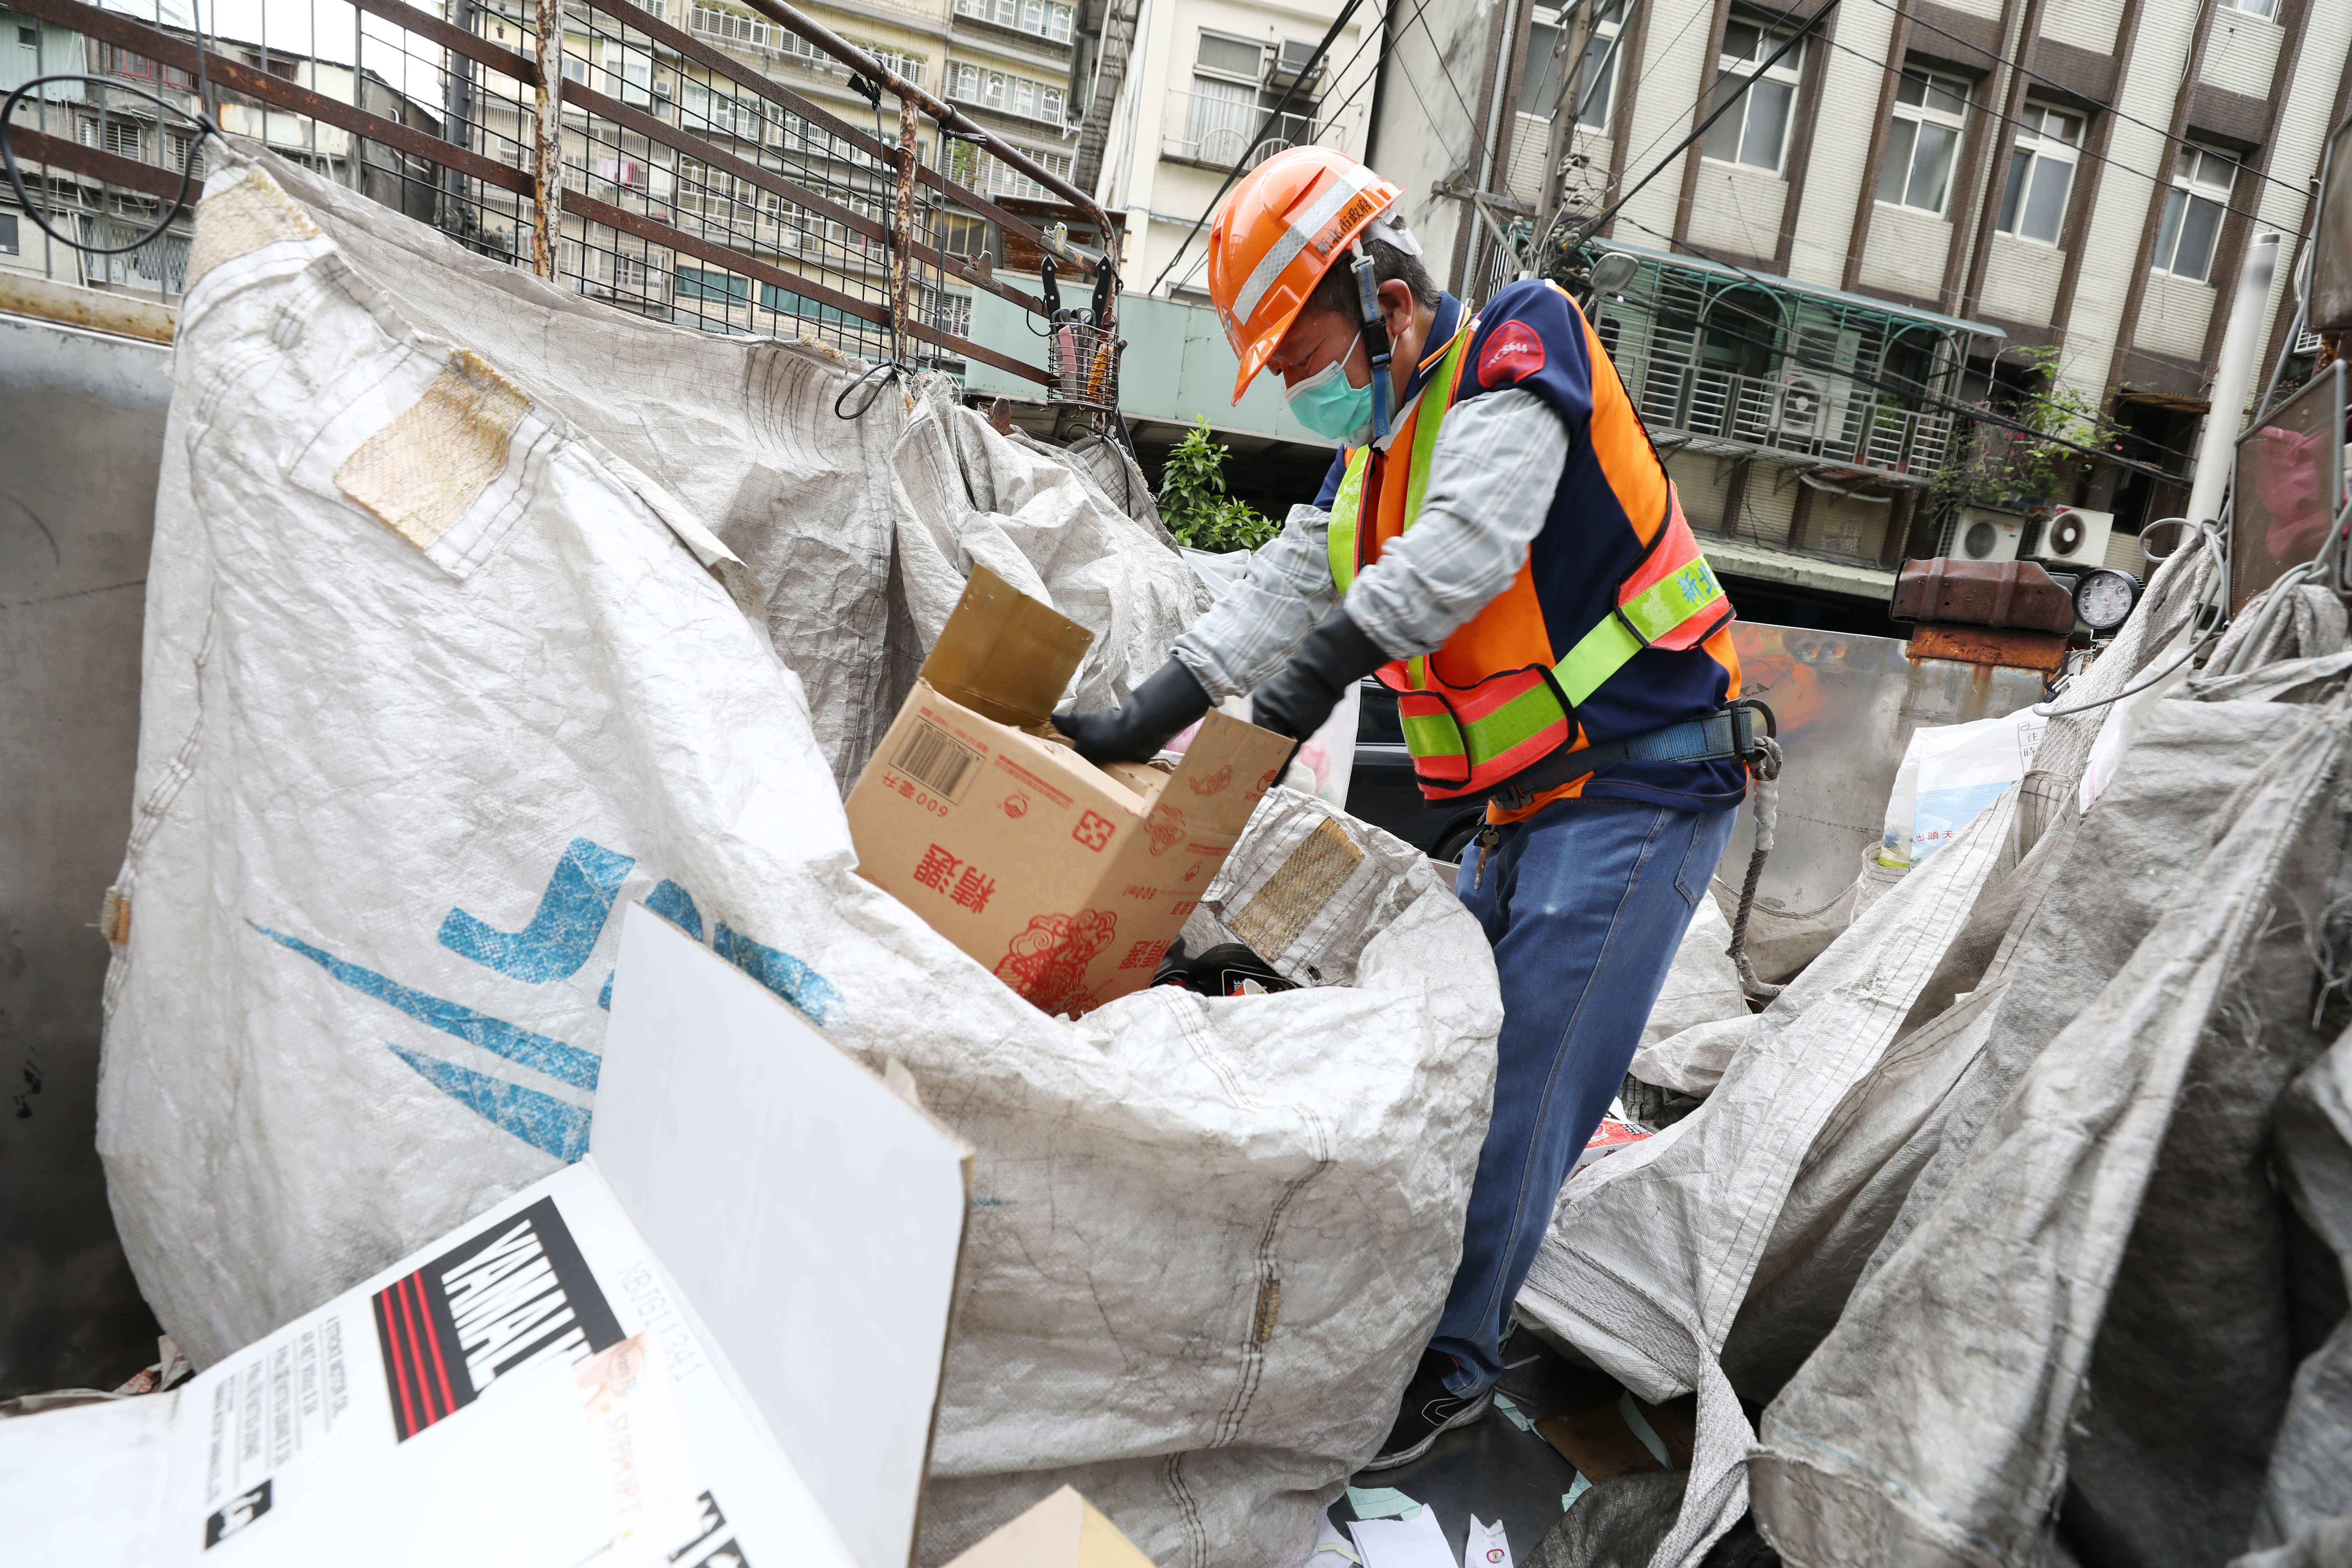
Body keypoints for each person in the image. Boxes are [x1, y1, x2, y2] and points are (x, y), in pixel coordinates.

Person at [1053, 148, 1759, 1468]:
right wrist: (1156, 707)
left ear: (1383, 292)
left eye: (1308, 352)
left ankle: (1445, 1364)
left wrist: (1309, 685)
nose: (1308, 387)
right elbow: (1285, 587)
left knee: (1524, 1096)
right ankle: (1419, 1319)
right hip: (1529, 808)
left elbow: (1474, 543)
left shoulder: (1518, 345)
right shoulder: (1372, 459)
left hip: (1644, 784)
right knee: (1455, 1072)